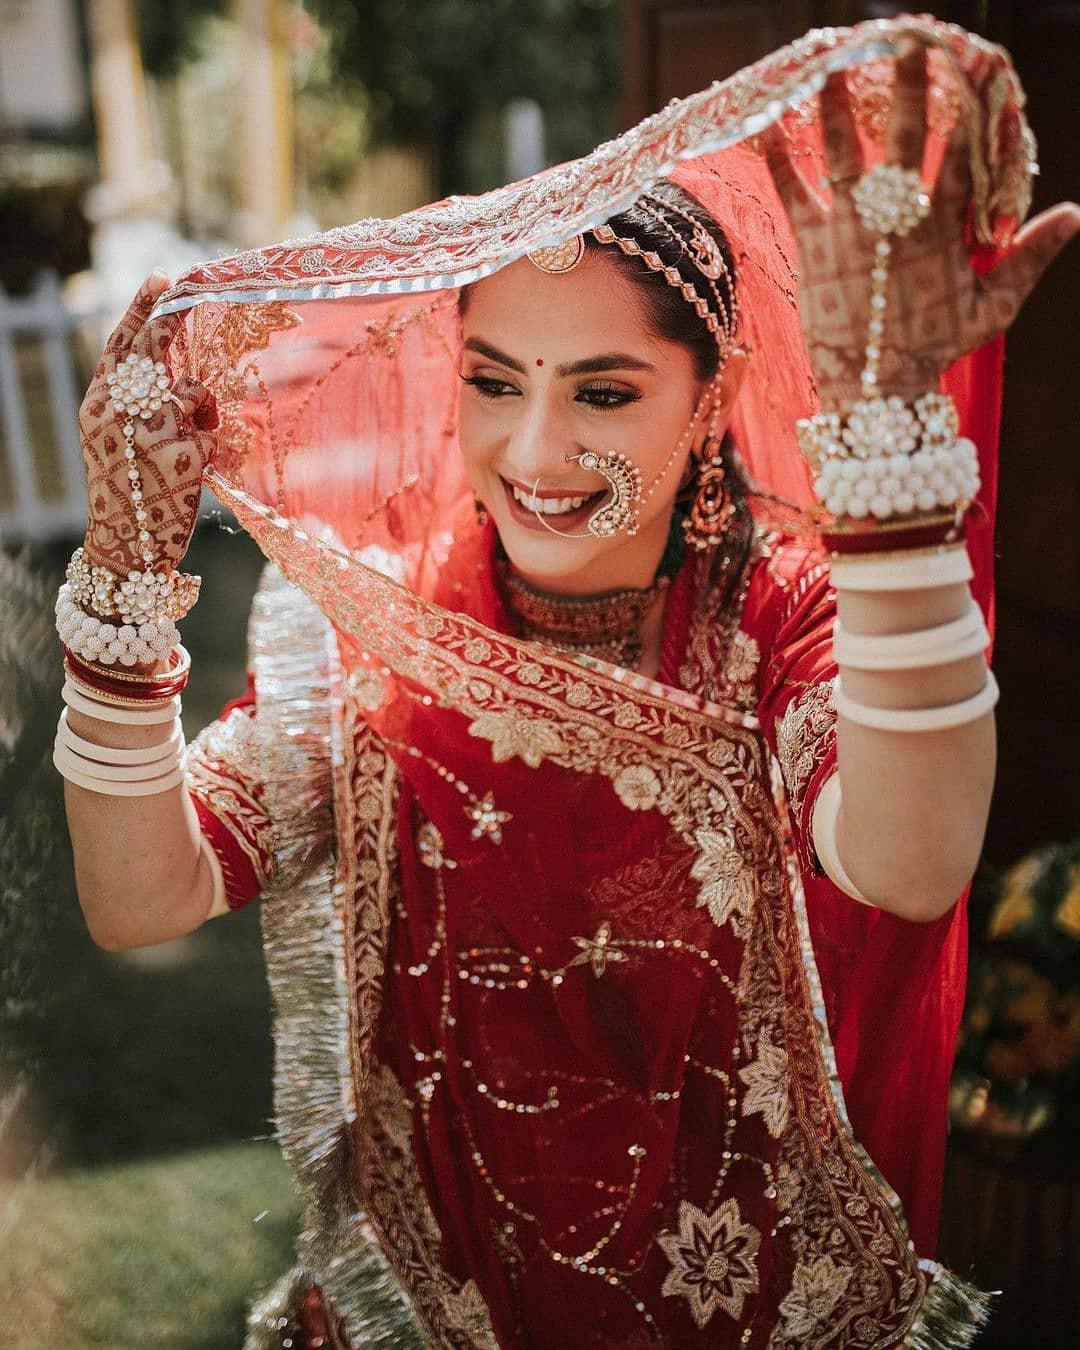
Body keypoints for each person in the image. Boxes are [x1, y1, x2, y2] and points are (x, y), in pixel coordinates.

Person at [56, 15, 1078, 1349]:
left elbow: (911, 859)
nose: (534, 449)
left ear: (708, 405)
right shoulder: (380, 635)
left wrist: (888, 449)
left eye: (604, 392)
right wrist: (124, 598)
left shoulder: (777, 624)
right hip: (443, 1302)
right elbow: (144, 898)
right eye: (495, 381)